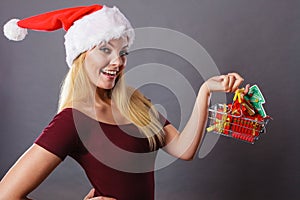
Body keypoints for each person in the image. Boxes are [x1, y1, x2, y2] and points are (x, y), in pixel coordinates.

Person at [0, 4, 248, 200]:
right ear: (81, 56)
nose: (118, 62)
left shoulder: (136, 104)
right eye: (105, 50)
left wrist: (205, 91)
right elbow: (6, 194)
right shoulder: (72, 120)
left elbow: (184, 150)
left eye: (122, 52)